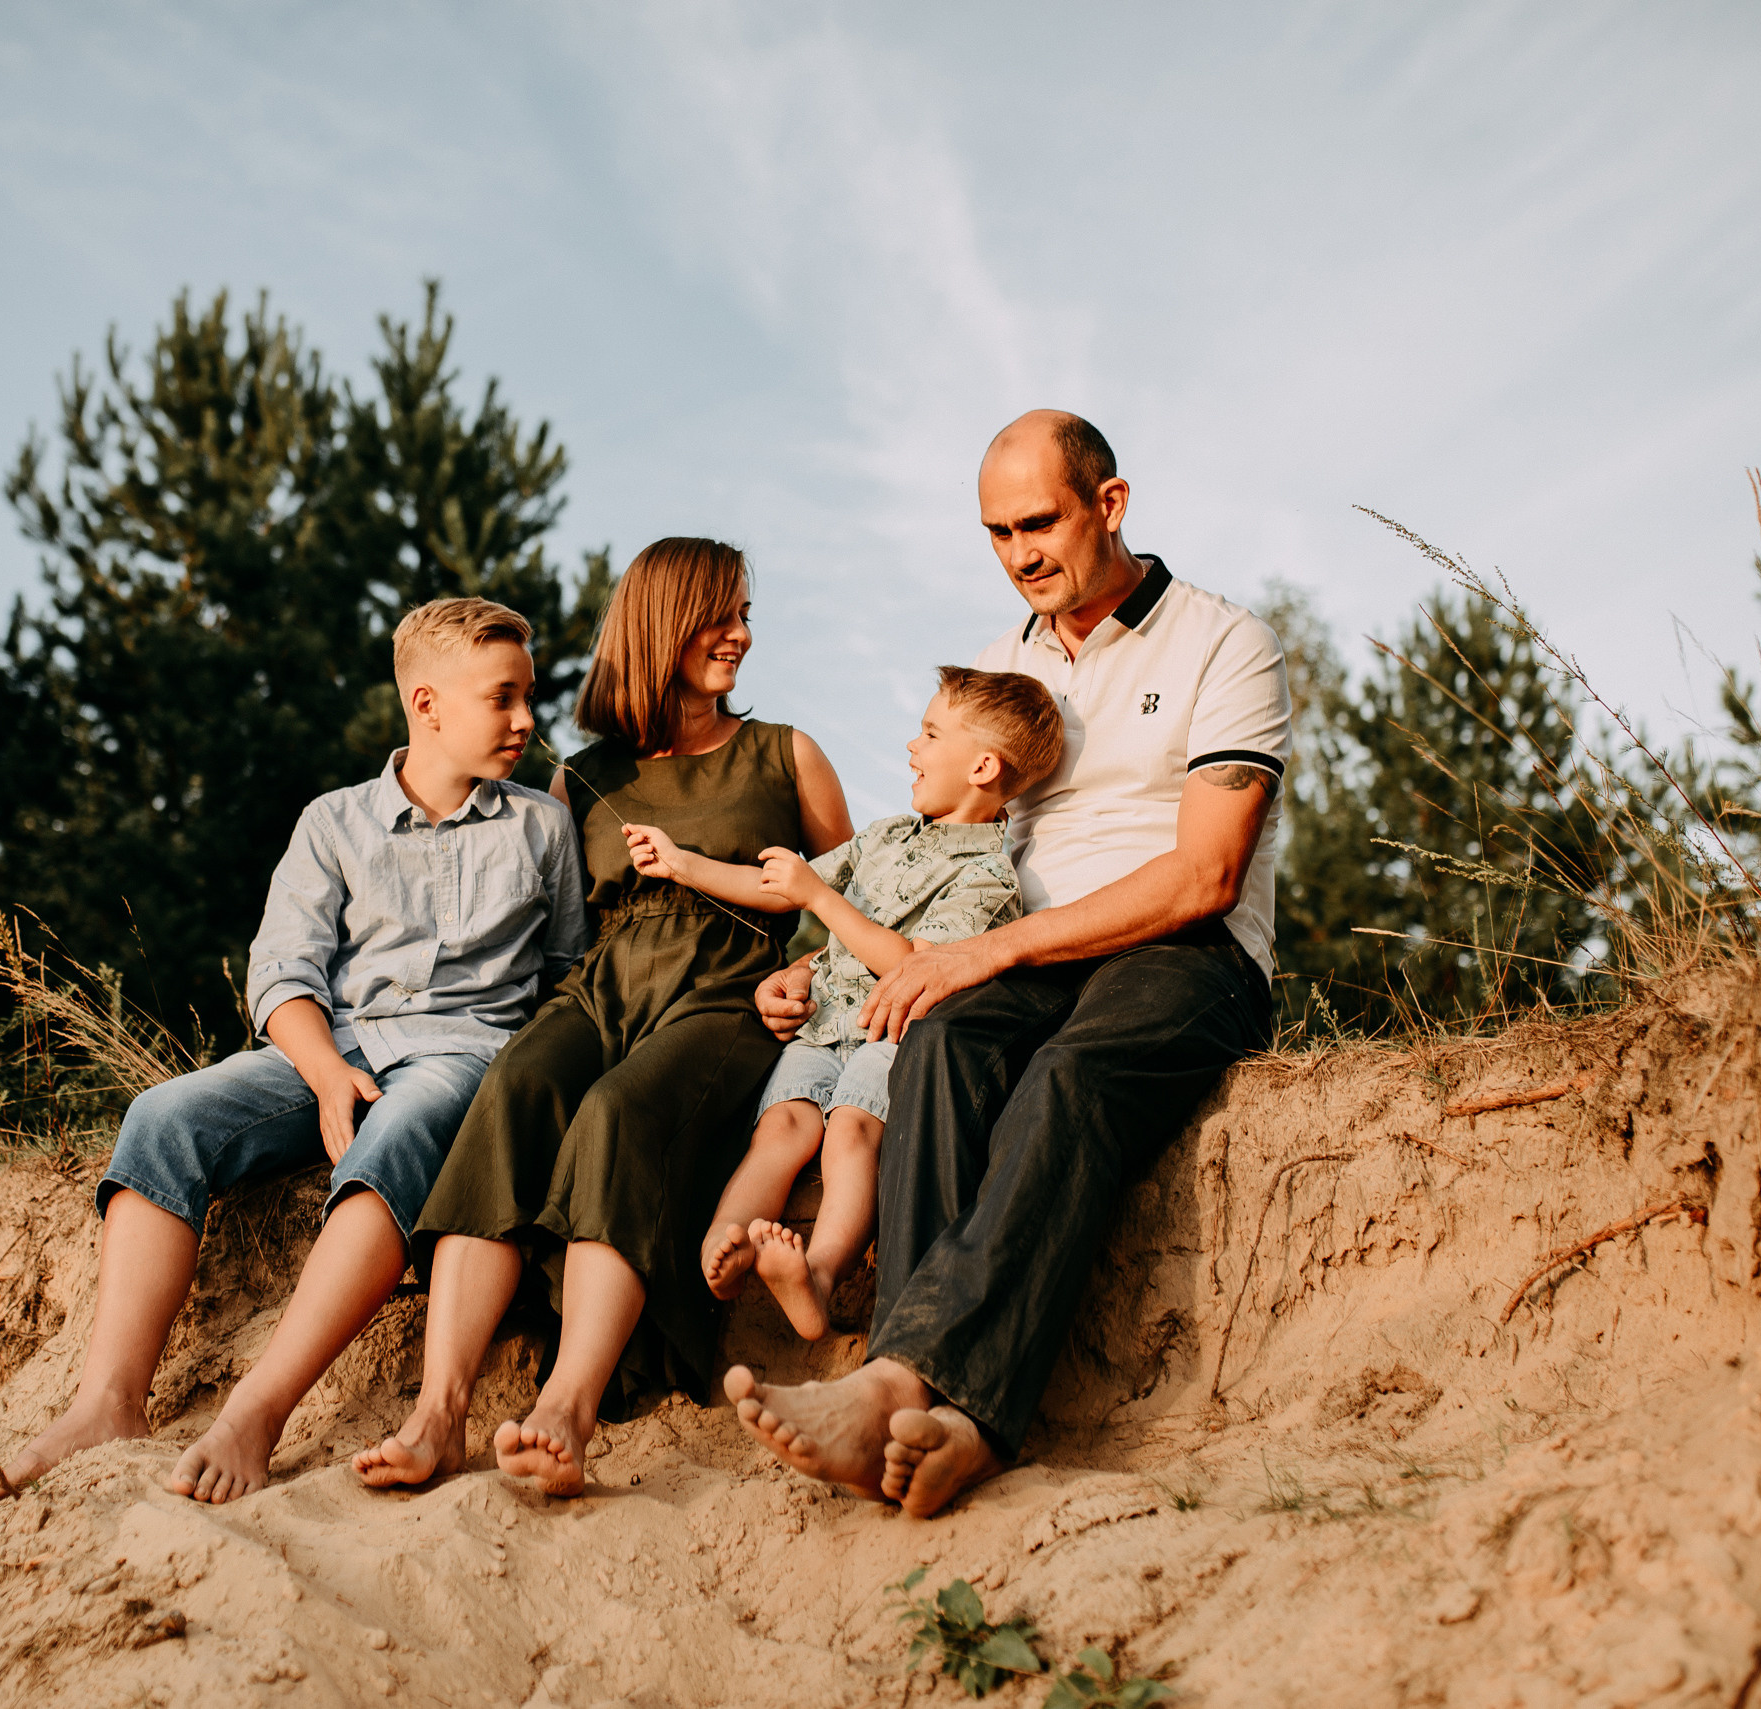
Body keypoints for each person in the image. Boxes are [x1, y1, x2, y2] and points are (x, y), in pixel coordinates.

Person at [726, 410, 1290, 1518]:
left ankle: (935, 1398)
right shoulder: (997, 665)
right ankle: (923, 1418)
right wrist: (831, 975)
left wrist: (990, 949)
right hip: (1023, 954)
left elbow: (1205, 874)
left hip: (1188, 953)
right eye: (996, 532)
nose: (1020, 552)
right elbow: (923, 857)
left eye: (1040, 521)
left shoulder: (1223, 641)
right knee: (934, 1038)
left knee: (1068, 1074)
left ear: (1109, 504)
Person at [0, 597, 588, 1506]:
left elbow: (566, 977)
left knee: (406, 1125)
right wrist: (326, 1072)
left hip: (466, 1056)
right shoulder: (333, 822)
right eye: (503, 698)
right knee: (164, 1114)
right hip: (337, 1044)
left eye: (528, 696)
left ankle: (257, 1410)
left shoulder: (543, 827)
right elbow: (282, 971)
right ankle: (107, 1400)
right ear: (426, 705)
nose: (528, 720)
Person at [353, 536, 854, 1498]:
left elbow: (849, 898)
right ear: (662, 622)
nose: (742, 633)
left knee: (620, 1111)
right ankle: (437, 1412)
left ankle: (567, 1406)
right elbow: (554, 930)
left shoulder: (785, 753)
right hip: (601, 982)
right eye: (722, 613)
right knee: (519, 1086)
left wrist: (799, 976)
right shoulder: (578, 777)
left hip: (728, 991)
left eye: (747, 613)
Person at [686, 666, 1064, 1340]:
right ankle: (726, 1235)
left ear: (981, 765)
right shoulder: (886, 835)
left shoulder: (988, 877)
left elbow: (917, 966)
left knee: (852, 1131)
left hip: (891, 1034)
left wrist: (821, 899)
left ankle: (820, 1275)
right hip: (824, 1022)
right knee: (783, 1127)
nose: (913, 746)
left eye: (930, 732)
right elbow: (779, 886)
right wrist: (683, 864)